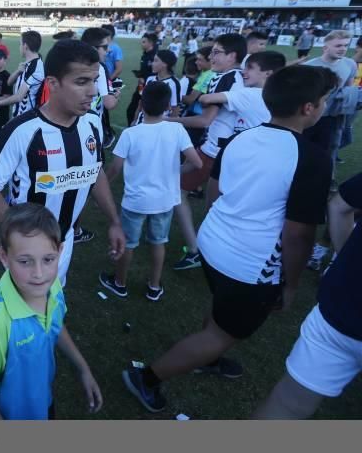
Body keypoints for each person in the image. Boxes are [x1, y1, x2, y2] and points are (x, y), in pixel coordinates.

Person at [122, 65, 335, 413]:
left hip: (213, 242)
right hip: (251, 263)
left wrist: (216, 228)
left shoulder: (242, 137)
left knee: (221, 306)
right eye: (324, 100)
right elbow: (298, 232)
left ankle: (208, 357)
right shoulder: (312, 159)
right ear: (308, 108)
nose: (325, 106)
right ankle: (146, 379)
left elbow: (213, 191)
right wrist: (291, 284)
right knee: (222, 333)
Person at [0, 39, 125, 286]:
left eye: (94, 80)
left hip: (65, 241)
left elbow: (94, 171)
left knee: (52, 308)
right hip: (29, 250)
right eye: (81, 82)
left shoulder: (92, 123)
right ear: (53, 84)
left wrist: (114, 221)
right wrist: (22, 241)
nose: (93, 91)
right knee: (26, 316)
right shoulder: (21, 130)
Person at [0, 203, 103, 420]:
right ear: (4, 257)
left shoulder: (53, 286)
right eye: (25, 261)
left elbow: (55, 325)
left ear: (60, 252)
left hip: (41, 403)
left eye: (48, 259)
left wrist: (83, 368)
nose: (39, 274)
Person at [253, 172, 362, 419]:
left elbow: (339, 206)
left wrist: (349, 264)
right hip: (341, 310)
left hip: (342, 305)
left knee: (288, 404)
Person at [101, 82, 201, 301]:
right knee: (159, 242)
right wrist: (175, 172)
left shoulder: (130, 133)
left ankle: (119, 283)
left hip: (136, 201)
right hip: (165, 200)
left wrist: (102, 184)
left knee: (127, 243)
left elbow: (116, 167)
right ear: (167, 106)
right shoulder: (176, 129)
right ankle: (154, 286)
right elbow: (196, 163)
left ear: (142, 104)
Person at [169, 33, 246, 271]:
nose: (211, 56)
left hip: (218, 150)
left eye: (217, 52)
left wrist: (169, 120)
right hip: (218, 147)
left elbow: (205, 120)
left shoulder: (228, 78)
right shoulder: (224, 76)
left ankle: (197, 249)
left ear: (232, 56)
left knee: (179, 189)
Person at [304, 30, 356, 175]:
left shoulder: (350, 64)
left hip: (334, 116)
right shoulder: (309, 66)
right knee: (304, 147)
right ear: (325, 47)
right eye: (338, 45)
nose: (343, 49)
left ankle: (328, 178)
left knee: (330, 149)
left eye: (346, 45)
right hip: (310, 116)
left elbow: (348, 88)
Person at [198, 51, 286, 131]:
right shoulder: (278, 95)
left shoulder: (250, 94)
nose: (243, 71)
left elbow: (206, 99)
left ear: (267, 73)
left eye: (250, 68)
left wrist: (204, 104)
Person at [0, 30, 44, 117]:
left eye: (20, 44)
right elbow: (9, 83)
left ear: (25, 46)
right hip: (18, 115)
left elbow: (19, 97)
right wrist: (18, 71)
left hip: (25, 117)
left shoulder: (36, 68)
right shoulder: (28, 63)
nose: (19, 47)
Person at [133, 49, 188, 124]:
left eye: (156, 61)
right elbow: (142, 99)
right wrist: (135, 120)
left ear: (165, 64)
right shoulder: (150, 78)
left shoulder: (174, 83)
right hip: (142, 121)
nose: (152, 63)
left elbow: (175, 109)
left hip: (158, 123)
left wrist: (170, 126)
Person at [126, 33, 159, 124]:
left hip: (149, 88)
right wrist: (140, 75)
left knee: (138, 110)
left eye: (144, 42)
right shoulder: (145, 54)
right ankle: (132, 127)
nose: (141, 44)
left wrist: (145, 78)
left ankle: (134, 128)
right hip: (141, 86)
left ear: (150, 43)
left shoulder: (155, 56)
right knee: (132, 109)